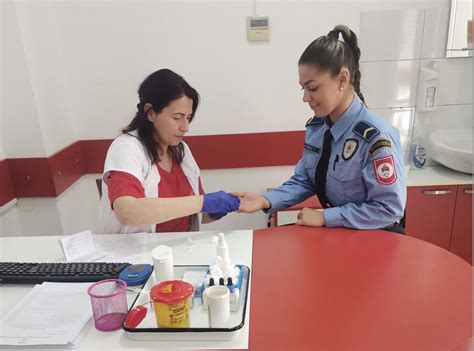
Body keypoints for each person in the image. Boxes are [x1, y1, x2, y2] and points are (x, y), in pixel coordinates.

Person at [235, 25, 406, 233]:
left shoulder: (376, 137)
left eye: (313, 88)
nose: (305, 97)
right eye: (303, 88)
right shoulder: (318, 128)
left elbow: (389, 208)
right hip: (339, 234)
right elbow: (306, 179)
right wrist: (264, 200)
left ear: (342, 79)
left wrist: (326, 217)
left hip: (375, 238)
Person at [95, 69, 239, 234]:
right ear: (151, 113)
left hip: (178, 249)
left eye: (188, 117)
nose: (185, 127)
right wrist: (202, 202)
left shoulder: (181, 150)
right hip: (133, 254)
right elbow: (127, 212)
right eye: (177, 117)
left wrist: (217, 210)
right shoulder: (127, 149)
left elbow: (193, 213)